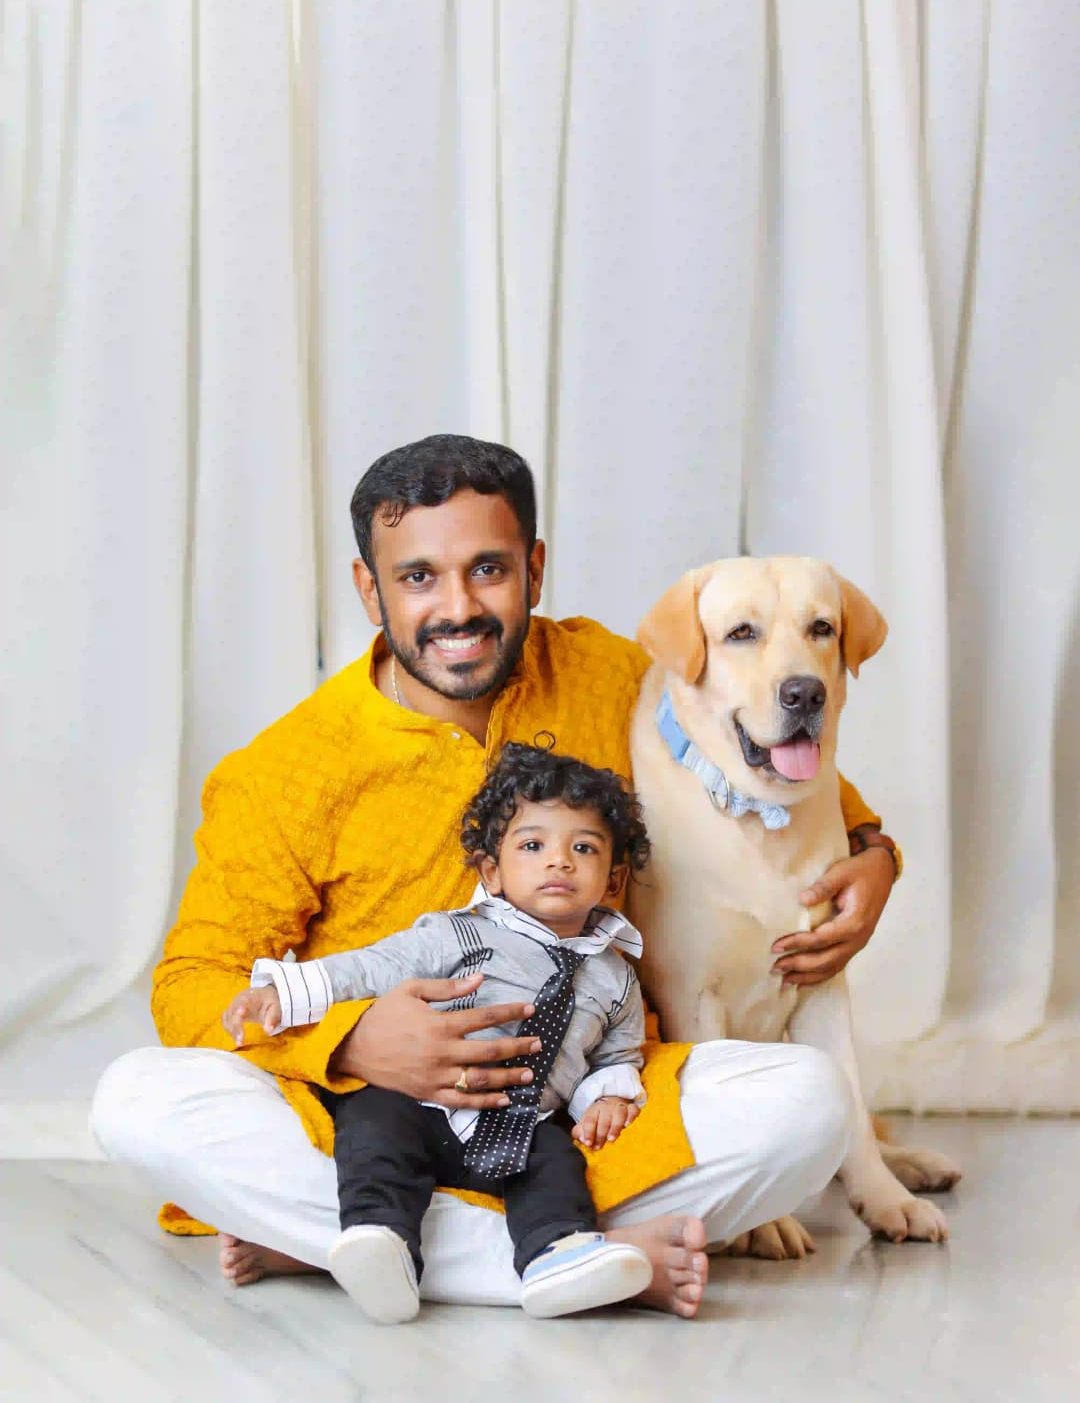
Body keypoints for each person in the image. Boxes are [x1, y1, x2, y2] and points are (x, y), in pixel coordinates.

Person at [91, 433, 900, 1318]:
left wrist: (870, 844)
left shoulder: (602, 673)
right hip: (367, 1121)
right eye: (418, 578)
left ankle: (367, 1246)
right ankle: (557, 1254)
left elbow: (732, 747)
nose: (458, 606)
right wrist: (353, 1040)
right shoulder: (285, 769)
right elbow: (191, 985)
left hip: (591, 1116)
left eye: (488, 568)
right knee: (136, 1099)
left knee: (809, 1102)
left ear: (535, 569)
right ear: (369, 589)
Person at [222, 740, 658, 1322]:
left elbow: (616, 1053)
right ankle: (382, 1241)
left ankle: (558, 1253)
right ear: (492, 871)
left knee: (558, 1161)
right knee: (372, 1124)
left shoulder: (616, 978)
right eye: (533, 846)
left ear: (613, 878)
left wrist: (605, 1096)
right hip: (421, 1105)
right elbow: (368, 967)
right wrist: (285, 991)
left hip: (519, 1120)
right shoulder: (461, 935)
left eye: (583, 848)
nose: (560, 861)